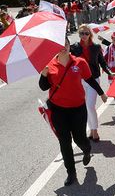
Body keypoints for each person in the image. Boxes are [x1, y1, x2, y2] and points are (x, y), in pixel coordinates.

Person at [39, 38, 107, 186]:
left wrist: (102, 93)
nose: (63, 47)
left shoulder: (80, 62)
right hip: (58, 110)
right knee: (64, 142)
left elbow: (90, 80)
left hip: (78, 108)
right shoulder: (49, 65)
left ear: (70, 46)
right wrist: (44, 74)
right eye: (59, 45)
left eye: (66, 44)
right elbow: (43, 87)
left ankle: (87, 148)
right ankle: (71, 172)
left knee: (79, 139)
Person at [70, 24, 113, 142]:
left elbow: (103, 63)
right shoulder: (73, 48)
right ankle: (91, 129)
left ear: (90, 34)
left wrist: (109, 72)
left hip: (93, 79)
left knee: (90, 106)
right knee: (85, 107)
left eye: (86, 33)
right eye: (81, 33)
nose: (83, 36)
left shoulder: (96, 47)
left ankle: (95, 131)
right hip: (79, 81)